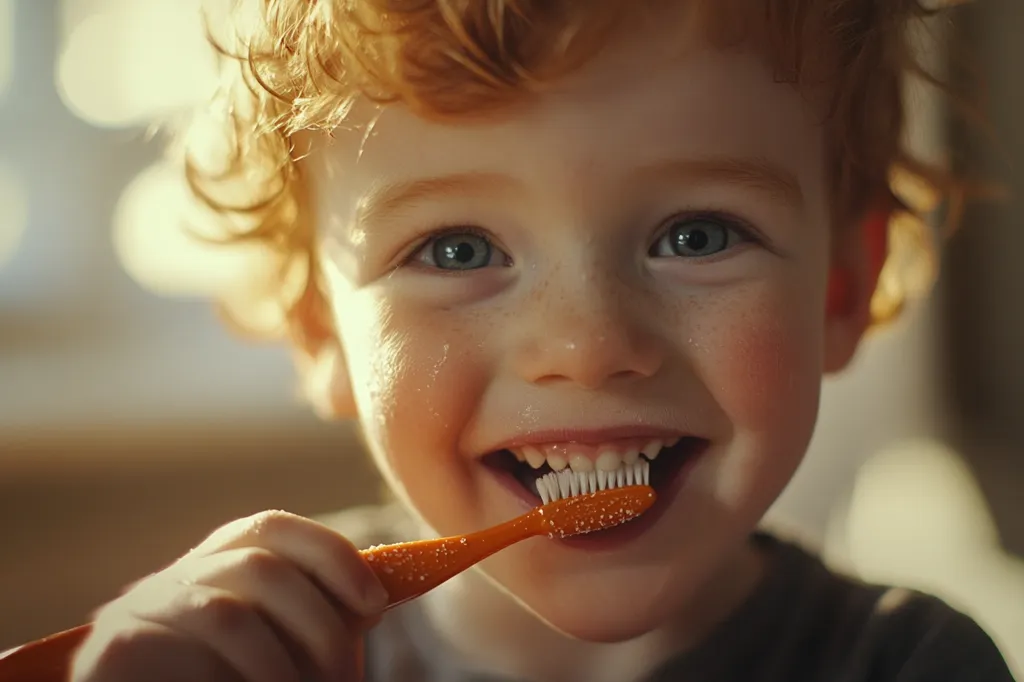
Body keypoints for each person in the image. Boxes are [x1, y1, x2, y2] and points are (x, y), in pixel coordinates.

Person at [71, 1, 1017, 681]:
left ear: (839, 292)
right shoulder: (261, 660)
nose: (590, 344)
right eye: (456, 247)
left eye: (697, 235)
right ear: (319, 327)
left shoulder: (913, 664)